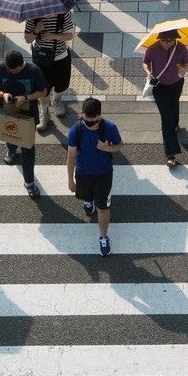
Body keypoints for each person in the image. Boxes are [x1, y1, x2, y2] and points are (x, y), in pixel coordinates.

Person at [0, 50, 49, 199]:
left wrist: (26, 98)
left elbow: (43, 91)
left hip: (28, 117)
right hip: (7, 113)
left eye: (16, 71)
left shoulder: (34, 71)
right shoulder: (0, 68)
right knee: (9, 134)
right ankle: (11, 149)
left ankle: (29, 182)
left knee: (28, 148)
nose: (13, 73)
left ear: (22, 64)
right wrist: (3, 94)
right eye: (10, 71)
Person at [67, 98, 123, 257]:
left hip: (103, 174)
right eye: (86, 118)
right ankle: (88, 199)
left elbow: (120, 145)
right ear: (82, 114)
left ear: (100, 115)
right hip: (83, 173)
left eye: (93, 118)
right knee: (87, 195)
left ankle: (103, 236)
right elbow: (71, 156)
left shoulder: (109, 128)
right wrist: (71, 179)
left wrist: (108, 148)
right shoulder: (75, 130)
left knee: (103, 207)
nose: (90, 121)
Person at [141, 28, 188, 167]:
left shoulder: (181, 48)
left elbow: (187, 65)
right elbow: (145, 62)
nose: (168, 44)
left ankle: (175, 125)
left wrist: (184, 69)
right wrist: (149, 72)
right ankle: (171, 154)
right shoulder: (153, 48)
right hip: (159, 86)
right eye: (165, 41)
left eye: (171, 41)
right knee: (166, 117)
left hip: (176, 83)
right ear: (159, 39)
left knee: (174, 105)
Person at [24, 8, 75, 132]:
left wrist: (54, 36)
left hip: (61, 57)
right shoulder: (33, 15)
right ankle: (44, 112)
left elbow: (70, 35)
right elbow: (27, 39)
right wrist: (36, 30)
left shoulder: (63, 13)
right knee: (43, 88)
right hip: (41, 59)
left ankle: (56, 100)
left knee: (61, 84)